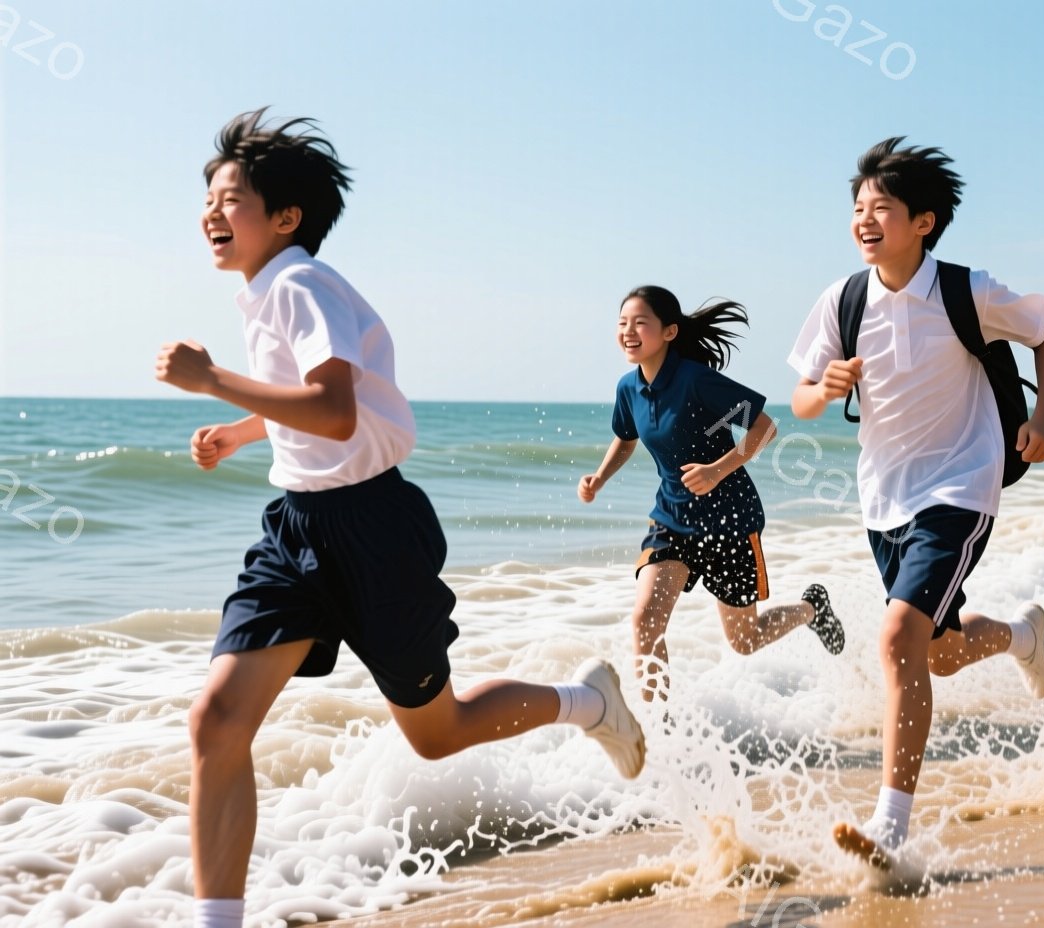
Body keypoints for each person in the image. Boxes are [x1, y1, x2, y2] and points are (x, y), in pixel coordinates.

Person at [156, 109, 645, 928]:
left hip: (375, 529)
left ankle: (587, 704)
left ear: (286, 218)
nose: (211, 211)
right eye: (208, 197)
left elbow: (337, 411)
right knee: (216, 720)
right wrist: (241, 431)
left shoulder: (302, 284)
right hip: (297, 530)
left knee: (438, 732)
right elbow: (319, 404)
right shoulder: (267, 292)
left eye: (231, 197)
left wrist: (215, 383)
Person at [788, 137, 1044, 866]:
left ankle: (889, 826)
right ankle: (1018, 637)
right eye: (857, 209)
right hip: (884, 500)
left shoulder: (965, 291)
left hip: (961, 485)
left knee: (894, 638)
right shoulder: (841, 301)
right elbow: (802, 401)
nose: (865, 219)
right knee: (935, 655)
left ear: (925, 222)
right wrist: (825, 388)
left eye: (882, 208)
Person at [579, 286, 845, 703]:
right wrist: (599, 477)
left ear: (668, 332)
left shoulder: (695, 381)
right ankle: (658, 736)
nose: (628, 331)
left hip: (729, 522)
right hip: (671, 520)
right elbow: (626, 439)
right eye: (622, 323)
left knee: (744, 639)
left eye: (639, 323)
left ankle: (812, 609)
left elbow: (763, 428)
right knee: (645, 623)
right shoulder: (629, 389)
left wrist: (717, 470)